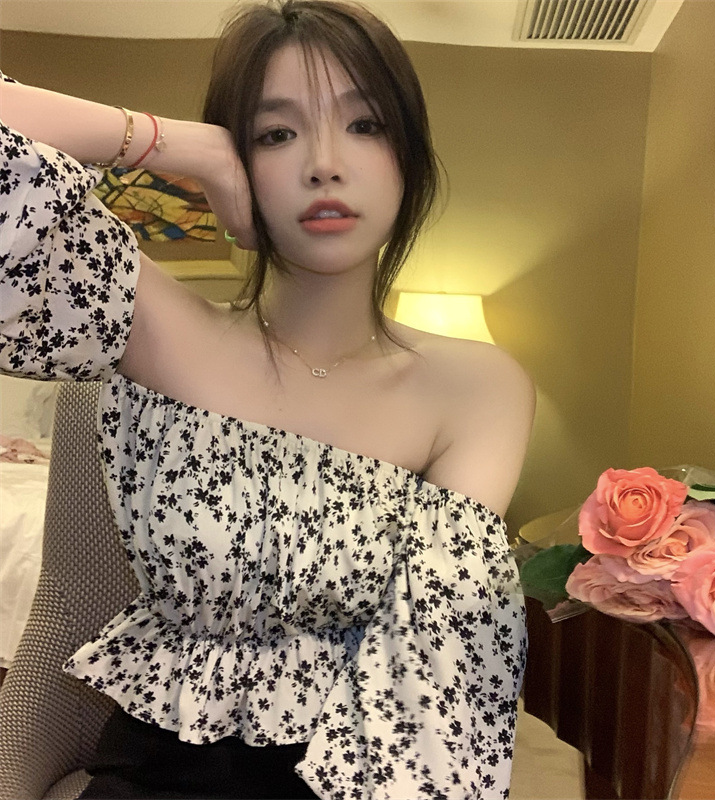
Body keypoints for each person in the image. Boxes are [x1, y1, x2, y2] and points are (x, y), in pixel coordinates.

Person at [0, 1, 535, 797]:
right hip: (159, 775)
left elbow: (433, 663)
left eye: (365, 125)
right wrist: (173, 143)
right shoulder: (153, 328)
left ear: (410, 158)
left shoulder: (478, 387)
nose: (325, 163)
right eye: (276, 134)